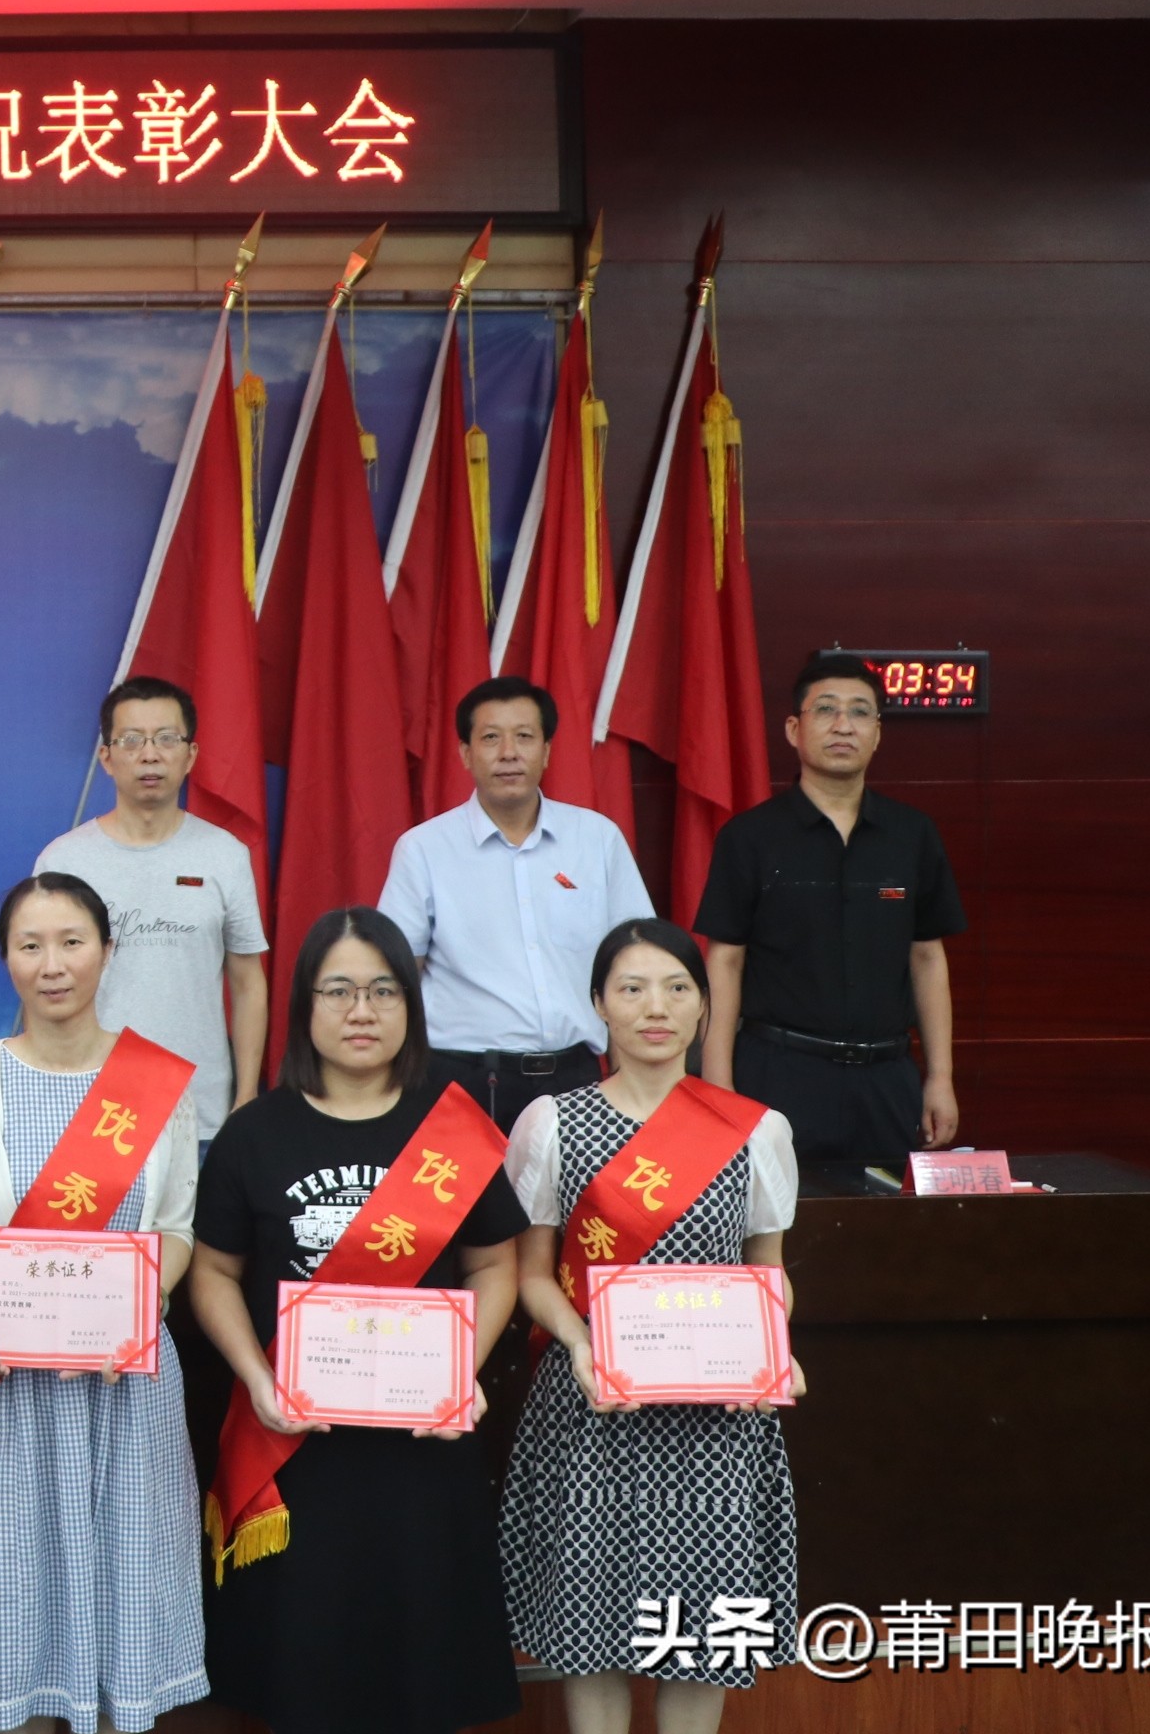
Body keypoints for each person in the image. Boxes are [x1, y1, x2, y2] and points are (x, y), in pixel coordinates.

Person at [186, 907, 525, 1734]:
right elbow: (214, 1274)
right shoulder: (252, 1134)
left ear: (410, 1005)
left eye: (382, 991)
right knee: (304, 1662)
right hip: (297, 1444)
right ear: (304, 1006)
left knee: (420, 1660)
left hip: (422, 1451)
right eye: (337, 991)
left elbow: (495, 1265)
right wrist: (259, 1379)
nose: (361, 1011)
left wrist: (460, 1373)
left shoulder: (449, 1132)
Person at [0, 873, 208, 1733]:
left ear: (107, 951)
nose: (53, 965)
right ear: (4, 959)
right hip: (5, 1384)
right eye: (30, 945)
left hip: (125, 1383)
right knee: (17, 1586)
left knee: (127, 1586)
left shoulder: (159, 1084)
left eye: (72, 942)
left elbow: (179, 1228)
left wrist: (143, 1301)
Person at [501, 919, 803, 1734]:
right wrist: (579, 1343)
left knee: (704, 1622)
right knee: (592, 1626)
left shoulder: (755, 1128)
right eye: (631, 988)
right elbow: (530, 1273)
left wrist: (774, 1348)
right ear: (599, 1003)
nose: (654, 1007)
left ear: (705, 1007)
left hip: (714, 1419)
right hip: (596, 1402)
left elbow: (765, 1270)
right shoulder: (550, 1124)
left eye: (677, 987)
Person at [695, 650, 965, 1181]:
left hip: (885, 1079)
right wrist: (717, 1083)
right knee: (773, 1236)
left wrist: (940, 1077)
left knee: (884, 1238)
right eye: (827, 710)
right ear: (794, 729)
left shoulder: (912, 835)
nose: (844, 725)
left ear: (878, 733)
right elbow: (724, 961)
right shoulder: (749, 839)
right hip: (777, 1073)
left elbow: (928, 957)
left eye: (861, 712)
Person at [379, 677, 653, 1130]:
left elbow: (635, 964)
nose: (509, 752)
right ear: (465, 753)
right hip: (461, 1081)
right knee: (473, 1204)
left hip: (578, 1078)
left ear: (546, 750)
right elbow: (396, 973)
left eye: (524, 736)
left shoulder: (597, 839)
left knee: (579, 1204)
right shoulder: (424, 849)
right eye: (490, 738)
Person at [34, 675, 269, 1140]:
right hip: (87, 1111)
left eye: (166, 739)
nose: (150, 754)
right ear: (106, 756)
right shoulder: (63, 860)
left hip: (200, 1114)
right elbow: (41, 985)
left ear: (191, 755)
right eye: (132, 740)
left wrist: (245, 1097)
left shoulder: (224, 854)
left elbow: (247, 982)